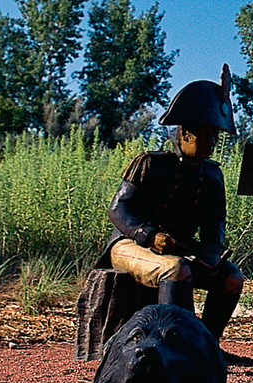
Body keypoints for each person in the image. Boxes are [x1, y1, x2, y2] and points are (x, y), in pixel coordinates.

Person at [103, 67, 244, 341]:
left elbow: (215, 225)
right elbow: (118, 209)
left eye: (215, 136)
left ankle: (206, 346)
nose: (212, 143)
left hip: (182, 251)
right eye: (205, 135)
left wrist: (210, 255)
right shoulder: (149, 163)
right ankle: (173, 344)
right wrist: (149, 235)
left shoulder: (212, 175)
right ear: (185, 134)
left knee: (231, 277)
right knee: (175, 270)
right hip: (128, 245)